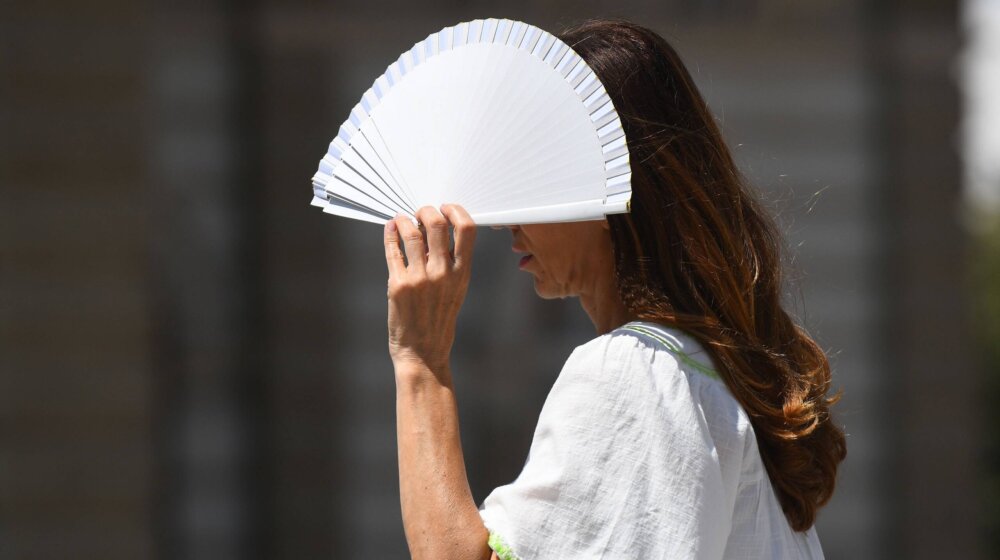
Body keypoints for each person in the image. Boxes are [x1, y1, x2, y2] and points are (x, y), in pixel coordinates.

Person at [382, 19, 847, 560]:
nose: (504, 217)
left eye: (526, 174)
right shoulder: (699, 374)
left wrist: (420, 361)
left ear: (604, 189)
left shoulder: (636, 374)